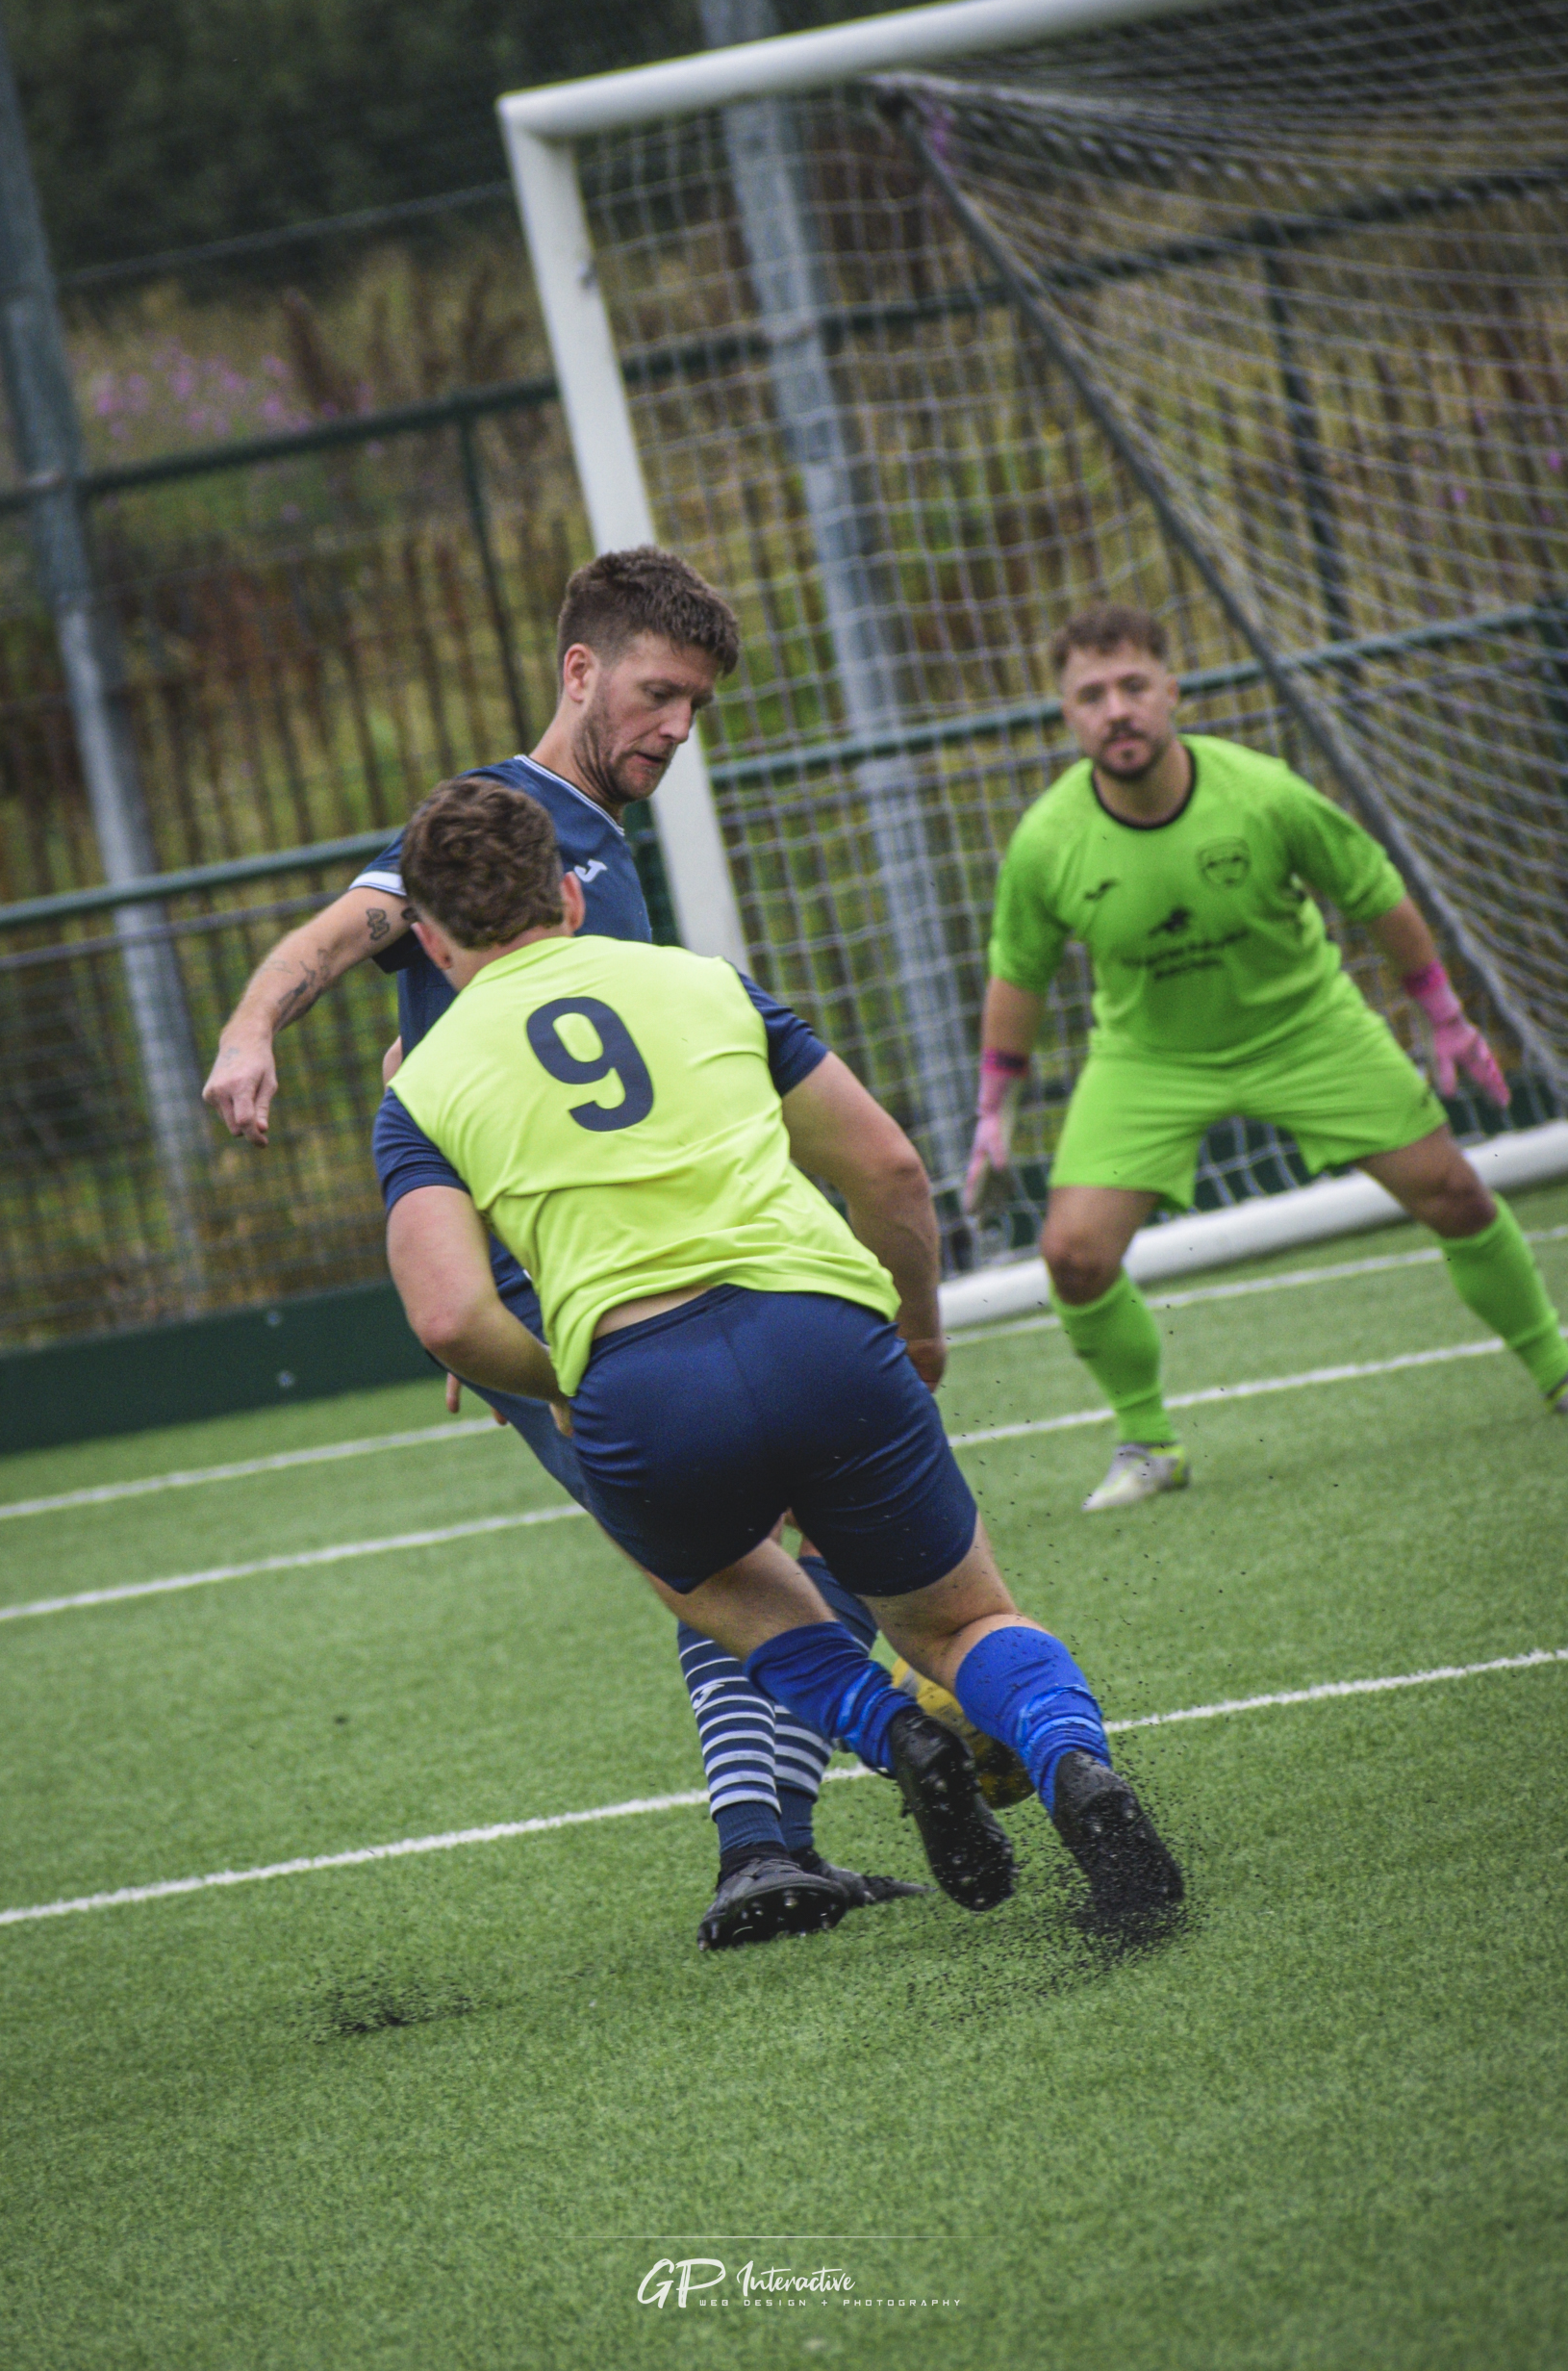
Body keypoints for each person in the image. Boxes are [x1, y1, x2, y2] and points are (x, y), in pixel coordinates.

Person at [204, 547, 921, 1948]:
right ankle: (791, 1834)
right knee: (746, 1549)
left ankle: (778, 1850)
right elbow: (340, 935)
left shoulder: (593, 832)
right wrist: (248, 1032)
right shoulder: (500, 820)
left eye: (698, 707)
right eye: (659, 693)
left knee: (757, 1544)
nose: (677, 727)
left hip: (599, 1285)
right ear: (579, 671)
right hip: (571, 1314)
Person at [377, 773, 1185, 1933]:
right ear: (565, 892)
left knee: (702, 1580)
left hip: (642, 1387)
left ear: (432, 940)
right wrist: (914, 1330)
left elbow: (448, 1318)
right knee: (958, 1625)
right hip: (822, 1336)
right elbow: (890, 1171)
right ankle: (1073, 1767)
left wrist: (571, 1379)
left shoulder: (423, 1085)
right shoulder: (703, 983)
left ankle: (887, 1729)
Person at [964, 602, 1568, 1513]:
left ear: (1173, 689)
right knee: (1072, 1256)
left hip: (1305, 1028)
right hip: (1148, 1060)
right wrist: (990, 1119)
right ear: (1066, 717)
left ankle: (1558, 1370)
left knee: (1453, 1191)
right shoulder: (1046, 842)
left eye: (1133, 685)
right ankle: (1149, 1444)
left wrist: (1445, 1019)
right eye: (1091, 695)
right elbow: (1018, 979)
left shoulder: (1264, 792)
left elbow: (1375, 893)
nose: (1116, 709)